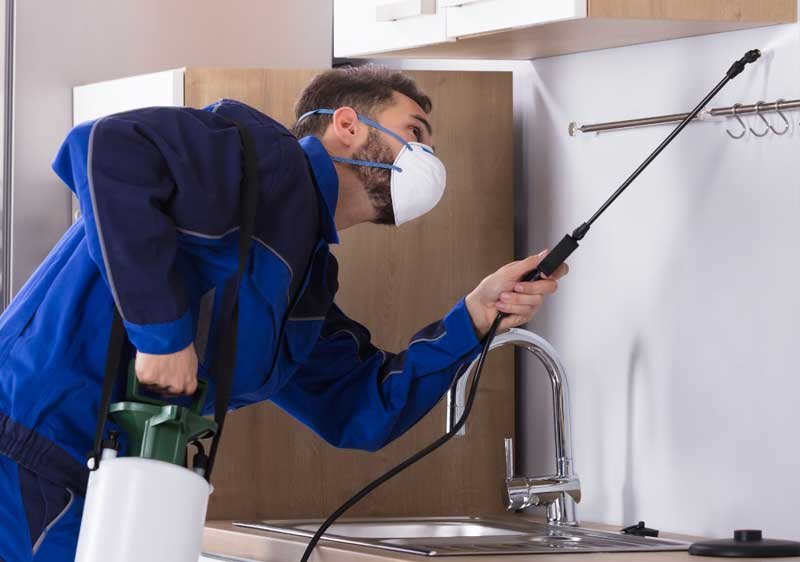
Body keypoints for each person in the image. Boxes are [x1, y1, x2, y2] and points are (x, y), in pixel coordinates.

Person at [0, 65, 568, 561]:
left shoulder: (307, 280)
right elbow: (106, 146)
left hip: (118, 492)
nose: (428, 158)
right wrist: (162, 337)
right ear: (346, 125)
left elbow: (360, 407)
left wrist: (473, 316)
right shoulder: (251, 156)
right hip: (24, 453)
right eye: (415, 133)